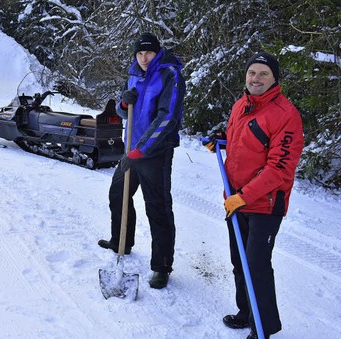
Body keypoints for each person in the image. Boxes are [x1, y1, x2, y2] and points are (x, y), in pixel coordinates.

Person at [204, 52, 304, 339]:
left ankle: (264, 327)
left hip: (265, 203)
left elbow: (279, 169)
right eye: (252, 73)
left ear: (274, 79)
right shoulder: (240, 105)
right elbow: (240, 140)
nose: (256, 78)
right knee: (240, 261)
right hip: (235, 197)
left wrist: (244, 196)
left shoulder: (286, 115)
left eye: (263, 74)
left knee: (256, 264)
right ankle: (247, 313)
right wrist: (220, 142)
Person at [98, 32, 186, 289]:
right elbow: (123, 111)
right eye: (139, 53)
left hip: (155, 152)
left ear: (157, 52)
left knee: (157, 207)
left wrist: (143, 148)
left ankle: (161, 266)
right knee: (118, 194)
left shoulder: (170, 75)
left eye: (148, 53)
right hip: (131, 148)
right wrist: (123, 105)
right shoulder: (134, 73)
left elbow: (167, 117)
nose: (144, 58)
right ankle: (121, 241)